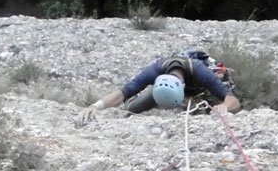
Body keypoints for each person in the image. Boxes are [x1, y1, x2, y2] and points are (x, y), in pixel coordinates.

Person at [77, 48, 240, 125]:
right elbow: (123, 93)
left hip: (200, 89)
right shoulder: (155, 70)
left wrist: (224, 107)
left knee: (212, 111)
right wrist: (96, 106)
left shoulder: (200, 72)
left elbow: (233, 101)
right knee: (132, 108)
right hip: (165, 89)